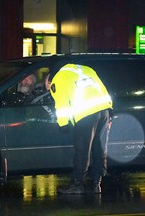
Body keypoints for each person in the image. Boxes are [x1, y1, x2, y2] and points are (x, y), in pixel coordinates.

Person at [47, 63, 113, 194]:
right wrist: (110, 112)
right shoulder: (88, 69)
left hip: (86, 115)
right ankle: (96, 184)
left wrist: (63, 123)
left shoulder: (58, 78)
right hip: (103, 110)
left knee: (82, 150)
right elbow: (103, 89)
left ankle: (77, 184)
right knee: (100, 149)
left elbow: (61, 104)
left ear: (49, 79)